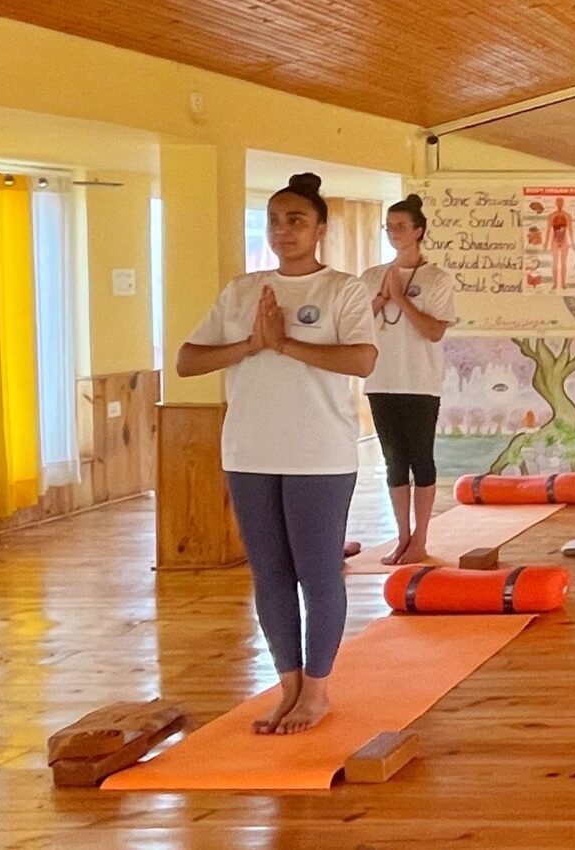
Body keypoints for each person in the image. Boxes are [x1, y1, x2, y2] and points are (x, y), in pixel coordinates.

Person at [175, 173, 377, 734]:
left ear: (320, 229)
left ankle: (318, 690)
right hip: (248, 450)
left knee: (318, 573)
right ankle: (286, 687)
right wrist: (251, 345)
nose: (283, 231)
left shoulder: (342, 290)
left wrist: (284, 343)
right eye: (275, 220)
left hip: (320, 453)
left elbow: (362, 361)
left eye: (296, 221)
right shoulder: (242, 291)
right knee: (270, 574)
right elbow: (187, 361)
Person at [360, 194, 458, 566]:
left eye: (401, 226)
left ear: (419, 231)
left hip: (420, 382)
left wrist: (401, 300)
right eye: (389, 227)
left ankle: (421, 537)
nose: (394, 233)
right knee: (393, 461)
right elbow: (353, 324)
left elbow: (433, 331)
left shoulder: (436, 279)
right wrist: (381, 298)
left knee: (421, 459)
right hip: (380, 380)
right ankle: (401, 536)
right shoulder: (371, 276)